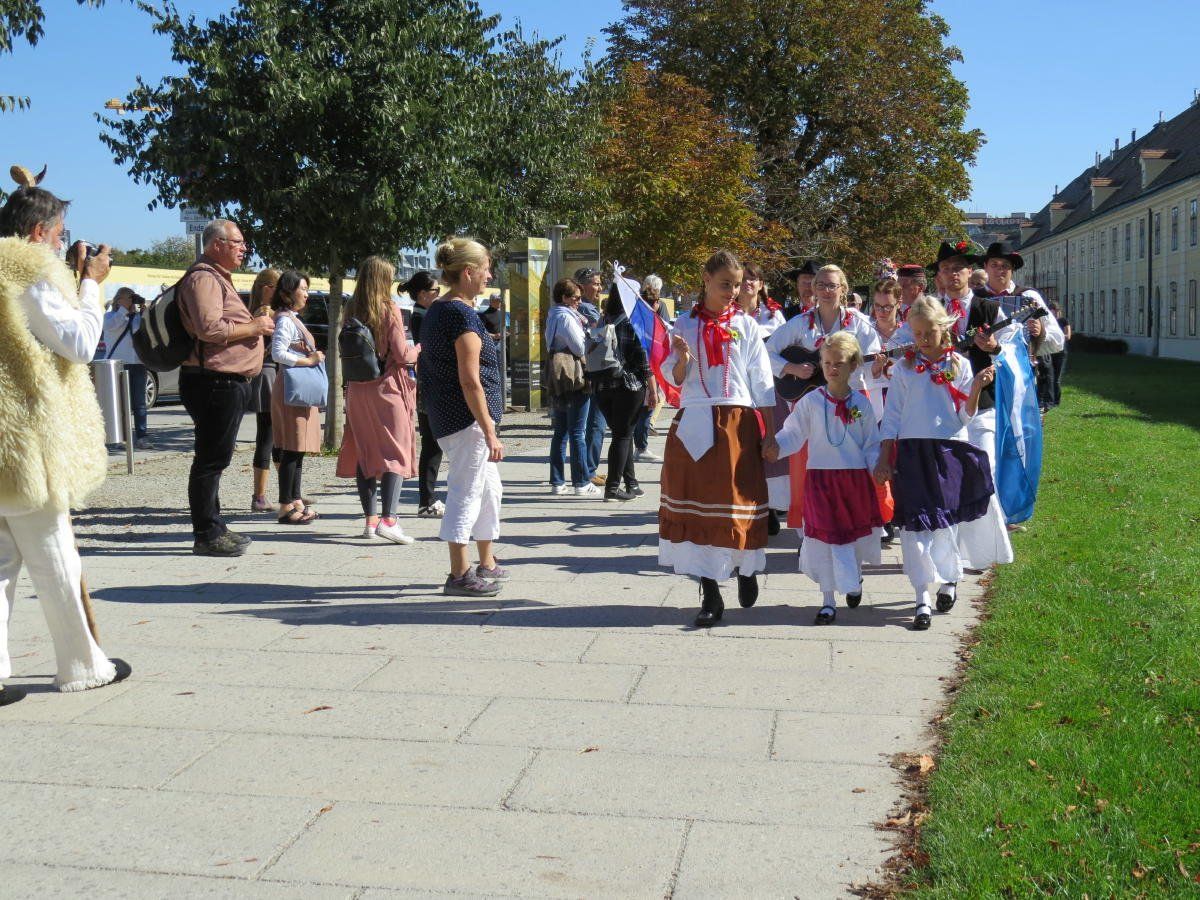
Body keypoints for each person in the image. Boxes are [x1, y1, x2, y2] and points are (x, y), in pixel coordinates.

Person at [0, 178, 130, 704]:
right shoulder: (29, 273)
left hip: (6, 433)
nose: (62, 243)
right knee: (55, 556)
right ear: (38, 232)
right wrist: (91, 284)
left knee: (2, 560)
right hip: (26, 437)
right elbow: (78, 343)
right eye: (59, 234)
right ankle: (83, 664)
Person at [874, 296, 1011, 630]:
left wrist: (976, 387)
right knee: (915, 527)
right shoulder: (905, 368)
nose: (922, 340)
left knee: (946, 523)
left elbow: (963, 417)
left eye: (929, 333)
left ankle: (949, 579)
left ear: (943, 329)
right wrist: (884, 457)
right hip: (912, 453)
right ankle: (921, 596)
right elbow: (892, 416)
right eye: (917, 333)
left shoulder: (959, 365)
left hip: (948, 451)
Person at [659, 250, 776, 627]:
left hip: (737, 421)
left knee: (737, 502)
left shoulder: (746, 325)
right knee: (698, 510)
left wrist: (770, 432)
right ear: (706, 279)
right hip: (694, 420)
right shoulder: (683, 324)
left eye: (737, 285)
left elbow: (762, 381)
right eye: (726, 283)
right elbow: (674, 377)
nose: (733, 291)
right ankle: (710, 592)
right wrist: (682, 359)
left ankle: (745, 567)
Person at [766, 333, 883, 624]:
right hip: (821, 481)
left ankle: (853, 577)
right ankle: (828, 600)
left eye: (839, 363)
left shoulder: (861, 404)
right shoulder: (812, 401)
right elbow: (793, 432)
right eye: (828, 363)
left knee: (853, 537)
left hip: (854, 482)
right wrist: (776, 447)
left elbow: (871, 444)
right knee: (824, 541)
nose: (832, 369)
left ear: (853, 365)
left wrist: (878, 469)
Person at [178, 219, 274, 557]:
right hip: (214, 381)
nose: (243, 248)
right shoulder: (204, 278)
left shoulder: (215, 277)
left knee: (215, 458)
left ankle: (214, 527)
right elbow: (210, 329)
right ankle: (206, 534)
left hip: (222, 381)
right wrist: (255, 327)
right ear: (216, 244)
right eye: (237, 242)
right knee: (210, 460)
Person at [417, 238, 507, 597]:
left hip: (454, 416)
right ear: (468, 272)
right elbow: (470, 380)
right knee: (466, 492)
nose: (489, 275)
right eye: (485, 268)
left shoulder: (442, 309)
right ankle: (458, 573)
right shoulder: (460, 314)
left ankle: (486, 562)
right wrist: (489, 429)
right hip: (466, 419)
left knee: (489, 490)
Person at [766, 264, 881, 535]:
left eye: (832, 285)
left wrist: (877, 366)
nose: (826, 291)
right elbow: (767, 351)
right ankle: (808, 532)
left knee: (851, 462)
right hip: (812, 402)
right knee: (806, 464)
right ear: (814, 289)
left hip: (850, 400)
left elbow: (873, 362)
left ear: (843, 289)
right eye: (821, 285)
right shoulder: (799, 323)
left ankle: (854, 525)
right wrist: (792, 368)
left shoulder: (859, 324)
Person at [337, 256, 420, 543]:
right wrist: (419, 349)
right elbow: (402, 354)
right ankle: (390, 519)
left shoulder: (351, 308)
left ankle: (370, 522)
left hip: (357, 389)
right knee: (395, 452)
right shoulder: (388, 308)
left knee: (365, 453)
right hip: (387, 388)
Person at [590, 281, 653, 502]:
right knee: (623, 436)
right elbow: (642, 359)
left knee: (621, 434)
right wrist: (652, 388)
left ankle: (631, 482)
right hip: (628, 385)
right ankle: (613, 487)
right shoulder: (631, 322)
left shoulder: (604, 319)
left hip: (602, 385)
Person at [270, 269, 323, 525]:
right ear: (286, 294)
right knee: (292, 447)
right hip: (292, 390)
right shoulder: (285, 320)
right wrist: (308, 360)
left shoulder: (291, 318)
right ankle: (285, 506)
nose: (306, 294)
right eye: (302, 289)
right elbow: (277, 353)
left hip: (297, 390)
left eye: (307, 289)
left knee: (298, 447)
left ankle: (295, 499)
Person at [544, 277, 599, 497]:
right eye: (575, 297)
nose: (579, 301)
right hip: (574, 376)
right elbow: (579, 348)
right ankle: (581, 482)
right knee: (578, 431)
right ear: (565, 298)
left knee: (560, 431)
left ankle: (558, 481)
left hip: (558, 375)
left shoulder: (552, 315)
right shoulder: (566, 317)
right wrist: (591, 338)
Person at [405, 270, 446, 518]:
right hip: (429, 386)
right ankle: (426, 500)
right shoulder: (422, 317)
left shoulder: (423, 315)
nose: (439, 294)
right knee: (432, 444)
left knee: (434, 444)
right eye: (435, 290)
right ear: (422, 294)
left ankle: (428, 498)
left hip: (427, 385)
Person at [101, 286, 152, 450]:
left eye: (132, 298)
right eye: (129, 298)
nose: (132, 301)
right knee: (119, 404)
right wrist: (124, 309)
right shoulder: (109, 317)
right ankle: (119, 438)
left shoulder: (136, 318)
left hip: (137, 364)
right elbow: (112, 326)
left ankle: (142, 437)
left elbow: (146, 333)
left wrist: (145, 314)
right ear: (119, 300)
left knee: (139, 404)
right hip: (117, 365)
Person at [246, 267, 280, 512]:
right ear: (268, 289)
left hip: (267, 374)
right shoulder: (266, 312)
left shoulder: (258, 310)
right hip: (267, 374)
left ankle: (289, 491)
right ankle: (259, 496)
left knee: (273, 436)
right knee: (268, 436)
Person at [575, 267, 607, 485]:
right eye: (595, 283)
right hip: (594, 371)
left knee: (591, 423)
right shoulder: (587, 309)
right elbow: (601, 337)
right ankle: (588, 471)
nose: (599, 287)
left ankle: (588, 469)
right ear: (582, 286)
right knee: (596, 422)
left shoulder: (585, 308)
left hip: (590, 369)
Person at [737, 262, 786, 335]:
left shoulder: (774, 315)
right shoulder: (726, 314)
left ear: (760, 285)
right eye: (743, 279)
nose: (747, 282)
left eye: (752, 279)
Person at [1048, 302, 1070, 408]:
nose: (1056, 313)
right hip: (1049, 351)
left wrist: (1057, 336)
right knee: (1049, 376)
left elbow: (1068, 335)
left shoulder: (1063, 321)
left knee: (1056, 378)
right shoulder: (1048, 322)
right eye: (1054, 311)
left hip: (1061, 352)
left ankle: (1056, 400)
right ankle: (1049, 399)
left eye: (1058, 311)